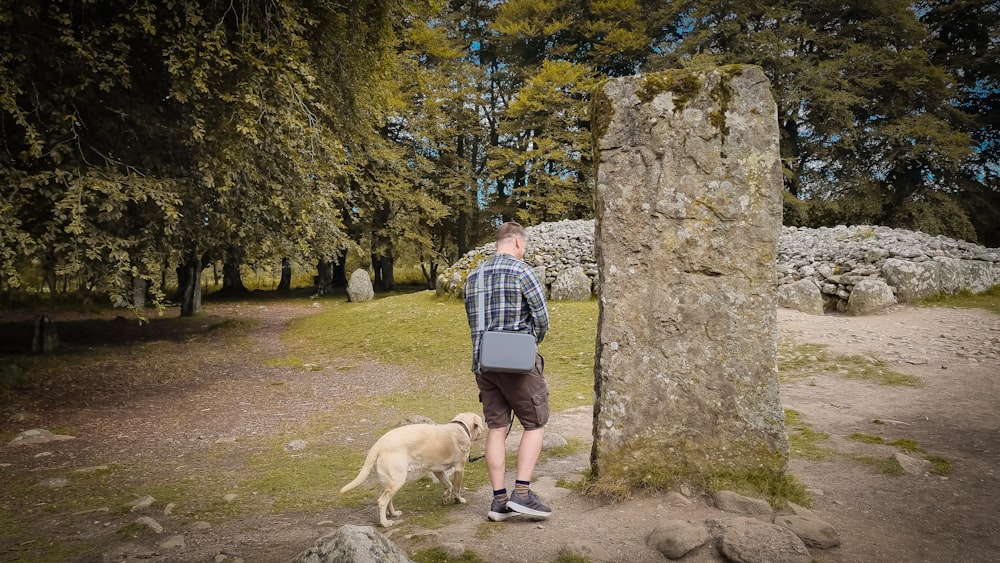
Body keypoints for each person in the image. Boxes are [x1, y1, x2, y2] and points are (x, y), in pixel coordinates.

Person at [464, 221, 552, 522]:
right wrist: (529, 344)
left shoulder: (473, 276)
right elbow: (542, 319)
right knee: (535, 422)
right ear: (517, 243)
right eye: (523, 246)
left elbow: (473, 322)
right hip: (517, 364)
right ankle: (523, 494)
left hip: (483, 364)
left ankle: (499, 501)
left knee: (497, 427)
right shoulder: (522, 270)